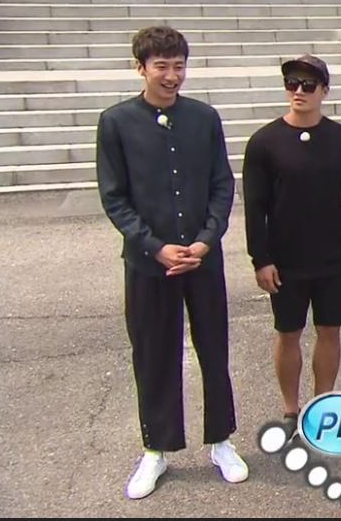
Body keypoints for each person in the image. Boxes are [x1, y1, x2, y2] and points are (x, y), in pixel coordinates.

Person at [95, 26, 246, 499]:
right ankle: (155, 448)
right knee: (153, 355)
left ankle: (221, 440)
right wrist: (155, 246)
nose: (171, 75)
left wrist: (205, 241)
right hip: (148, 263)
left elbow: (222, 184)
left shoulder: (204, 118)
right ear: (140, 68)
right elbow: (114, 197)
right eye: (161, 66)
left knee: (214, 350)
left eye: (178, 65)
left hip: (202, 261)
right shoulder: (116, 122)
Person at [241, 54, 341, 432]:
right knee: (288, 332)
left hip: (332, 254)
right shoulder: (264, 142)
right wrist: (260, 258)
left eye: (308, 85)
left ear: (324, 91)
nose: (299, 91)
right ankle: (290, 409)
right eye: (292, 84)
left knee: (330, 329)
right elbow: (255, 206)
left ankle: (323, 404)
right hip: (285, 258)